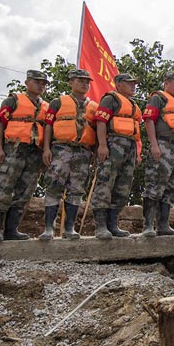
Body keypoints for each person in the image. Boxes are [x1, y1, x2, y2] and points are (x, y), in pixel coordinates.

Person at [0, 70, 49, 242]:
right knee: (3, 187)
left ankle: (12, 230)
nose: (41, 85)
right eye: (37, 82)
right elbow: (0, 123)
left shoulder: (46, 106)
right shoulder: (13, 100)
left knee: (25, 192)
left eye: (43, 83)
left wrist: (45, 151)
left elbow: (48, 131)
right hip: (14, 148)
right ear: (27, 82)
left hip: (34, 152)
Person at [39, 69, 98, 240]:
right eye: (80, 80)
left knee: (76, 190)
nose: (85, 83)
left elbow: (96, 130)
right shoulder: (58, 102)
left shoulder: (94, 107)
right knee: (54, 186)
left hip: (83, 152)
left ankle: (69, 228)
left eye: (87, 81)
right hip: (61, 149)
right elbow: (48, 125)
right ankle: (49, 228)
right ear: (71, 82)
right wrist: (46, 149)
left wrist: (94, 154)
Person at [93, 73, 142, 239]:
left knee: (123, 186)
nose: (133, 86)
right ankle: (100, 226)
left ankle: (113, 224)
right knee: (106, 182)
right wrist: (102, 144)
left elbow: (136, 131)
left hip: (130, 146)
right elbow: (100, 121)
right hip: (113, 143)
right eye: (129, 83)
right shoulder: (110, 99)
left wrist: (137, 153)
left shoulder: (134, 105)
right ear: (119, 84)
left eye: (134, 84)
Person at [142, 70, 174, 237]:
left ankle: (163, 225)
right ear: (167, 82)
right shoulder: (158, 98)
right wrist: (154, 145)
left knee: (172, 187)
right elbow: (149, 120)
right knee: (155, 184)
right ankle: (148, 225)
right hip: (163, 145)